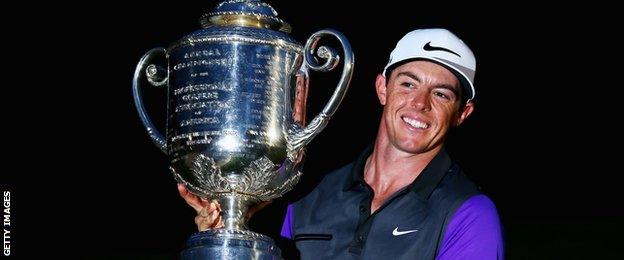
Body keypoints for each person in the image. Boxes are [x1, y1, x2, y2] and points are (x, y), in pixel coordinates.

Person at [179, 28, 504, 259]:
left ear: (463, 112)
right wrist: (227, 241)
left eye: (441, 94)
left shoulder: (470, 214)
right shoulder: (309, 196)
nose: (420, 103)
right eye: (408, 84)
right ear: (382, 89)